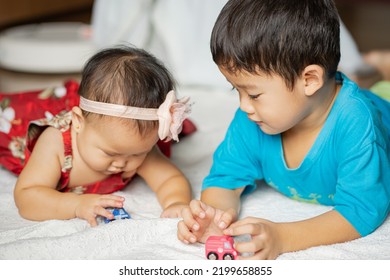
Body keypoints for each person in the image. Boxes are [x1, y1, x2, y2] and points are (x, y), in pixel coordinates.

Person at [177, 0, 390, 259]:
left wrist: (283, 237)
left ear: (309, 80)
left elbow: (362, 209)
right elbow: (224, 179)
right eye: (237, 90)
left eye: (254, 94)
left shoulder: (356, 124)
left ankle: (382, 68)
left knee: (381, 92)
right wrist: (214, 215)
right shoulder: (252, 119)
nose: (243, 105)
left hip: (381, 110)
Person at [7, 45, 192, 226]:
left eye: (137, 154)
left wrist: (176, 202)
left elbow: (170, 179)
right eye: (110, 153)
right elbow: (27, 197)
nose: (121, 163)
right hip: (19, 124)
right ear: (78, 122)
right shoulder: (54, 143)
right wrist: (76, 205)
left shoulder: (135, 144)